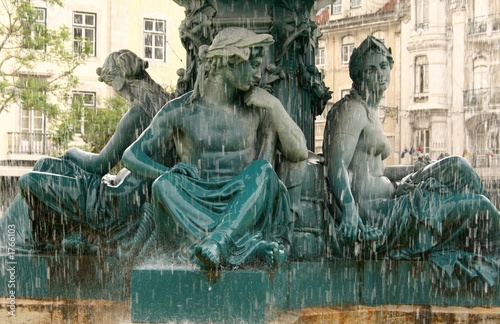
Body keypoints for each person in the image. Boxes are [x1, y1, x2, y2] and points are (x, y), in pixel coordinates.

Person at [122, 27, 308, 270]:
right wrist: (167, 173)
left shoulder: (259, 106)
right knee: (163, 185)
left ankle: (218, 243)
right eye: (252, 65)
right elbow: (131, 155)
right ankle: (244, 247)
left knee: (262, 171)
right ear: (229, 63)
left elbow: (299, 152)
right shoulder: (182, 110)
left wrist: (275, 106)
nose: (258, 74)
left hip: (244, 201)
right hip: (196, 197)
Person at [323, 36, 500, 289]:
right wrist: (350, 213)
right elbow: (336, 164)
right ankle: (490, 257)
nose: (380, 75)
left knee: (457, 166)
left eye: (383, 67)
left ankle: (486, 252)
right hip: (376, 215)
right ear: (359, 75)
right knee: (480, 207)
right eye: (371, 70)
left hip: (393, 198)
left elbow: (378, 172)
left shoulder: (370, 110)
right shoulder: (351, 109)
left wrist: (413, 170)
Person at [9, 50, 172, 254]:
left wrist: (72, 152)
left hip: (119, 201)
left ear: (120, 80)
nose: (114, 91)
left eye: (111, 82)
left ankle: (16, 243)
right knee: (46, 165)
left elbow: (99, 166)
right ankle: (25, 239)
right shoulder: (164, 106)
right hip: (129, 191)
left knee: (28, 181)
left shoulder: (138, 113)